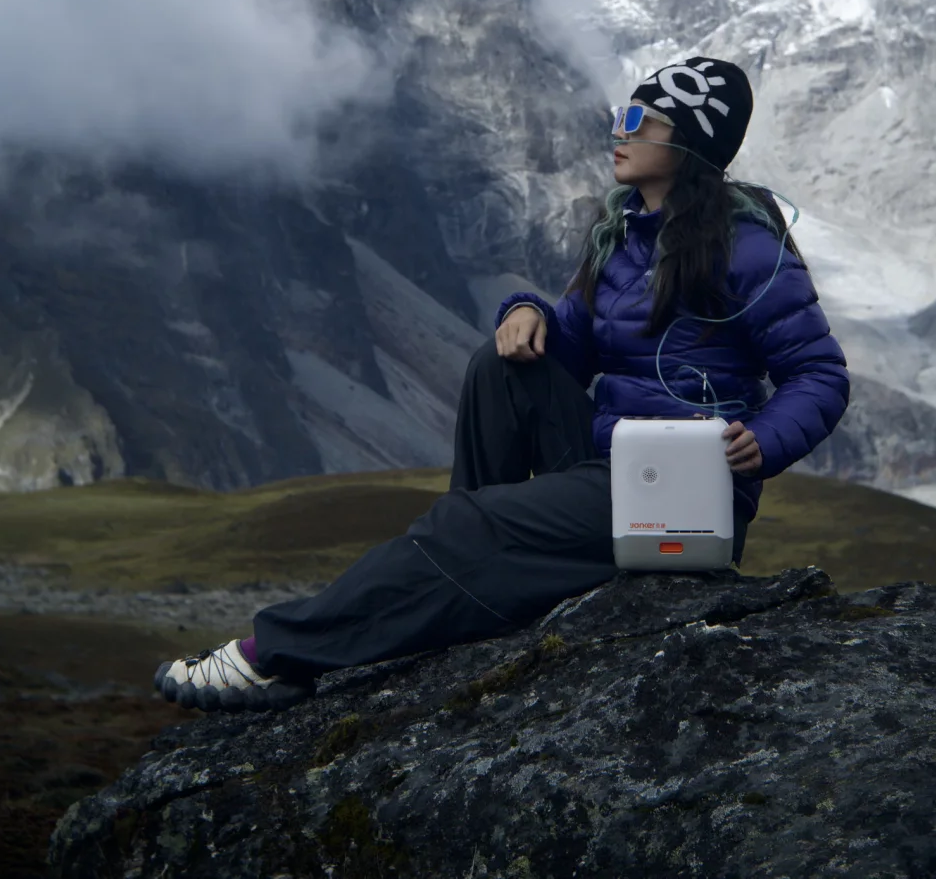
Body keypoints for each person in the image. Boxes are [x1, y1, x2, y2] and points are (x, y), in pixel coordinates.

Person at [155, 55, 850, 713]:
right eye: (621, 114)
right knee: (499, 366)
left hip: (684, 495)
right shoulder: (623, 236)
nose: (619, 131)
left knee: (465, 523)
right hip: (612, 464)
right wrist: (525, 310)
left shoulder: (748, 247)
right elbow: (567, 348)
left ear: (690, 143)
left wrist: (764, 441)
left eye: (639, 120)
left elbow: (818, 374)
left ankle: (276, 654)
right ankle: (468, 557)